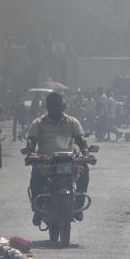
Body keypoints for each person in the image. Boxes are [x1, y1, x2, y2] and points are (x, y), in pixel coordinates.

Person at [23, 89, 89, 221]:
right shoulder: (38, 123)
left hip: (68, 160)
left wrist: (86, 152)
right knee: (36, 174)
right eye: (51, 103)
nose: (54, 106)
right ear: (47, 106)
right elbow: (31, 139)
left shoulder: (72, 121)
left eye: (56, 103)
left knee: (84, 169)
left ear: (62, 105)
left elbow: (81, 140)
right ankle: (38, 208)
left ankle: (79, 204)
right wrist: (29, 150)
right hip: (46, 161)